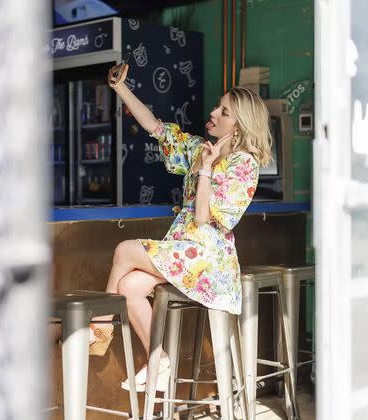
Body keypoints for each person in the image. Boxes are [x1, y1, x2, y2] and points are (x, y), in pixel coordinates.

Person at [89, 63, 272, 391]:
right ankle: (158, 358)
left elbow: (203, 218)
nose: (214, 112)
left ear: (239, 125)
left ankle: (100, 327)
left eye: (224, 111)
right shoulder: (202, 149)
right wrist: (120, 89)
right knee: (130, 285)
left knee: (124, 249)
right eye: (218, 106)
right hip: (182, 251)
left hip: (207, 261)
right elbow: (156, 129)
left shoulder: (244, 165)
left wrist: (205, 170)